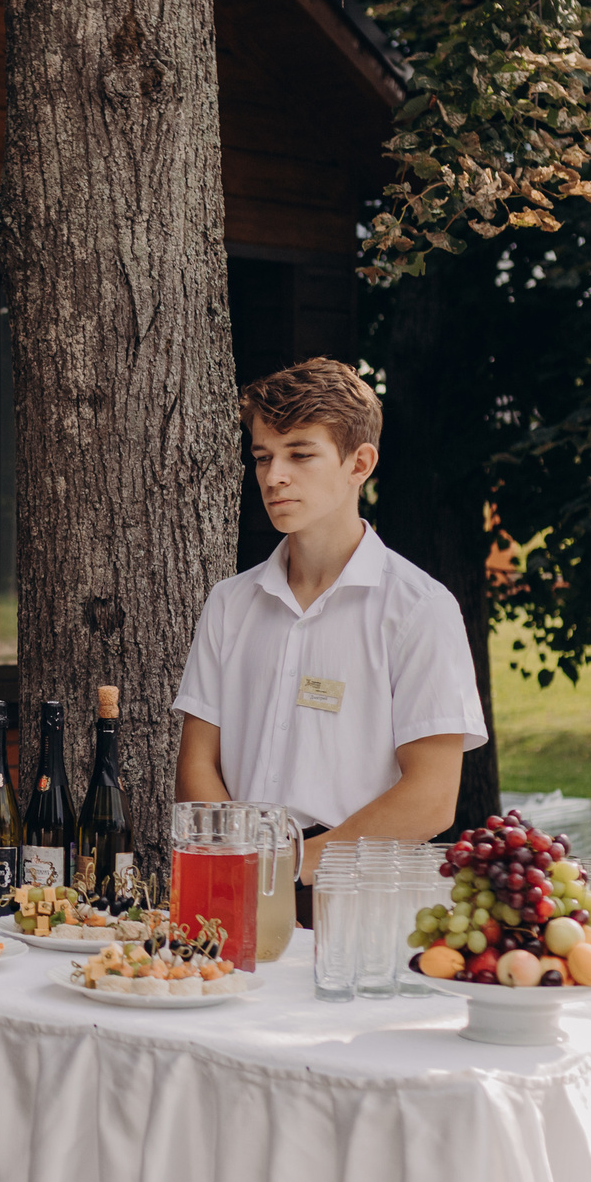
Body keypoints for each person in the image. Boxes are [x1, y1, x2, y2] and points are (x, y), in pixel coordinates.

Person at [172, 358, 486, 908]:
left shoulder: (420, 609)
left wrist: (289, 867)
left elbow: (432, 798)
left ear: (358, 463)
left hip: (357, 897)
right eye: (263, 457)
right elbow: (197, 764)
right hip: (236, 882)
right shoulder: (228, 603)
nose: (274, 477)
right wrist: (245, 869)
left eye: (300, 454)